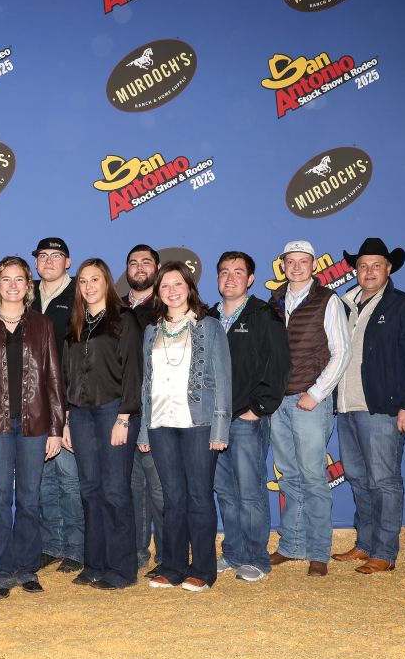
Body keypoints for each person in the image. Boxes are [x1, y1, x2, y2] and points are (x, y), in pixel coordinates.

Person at [329, 239, 405, 574]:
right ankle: (365, 543)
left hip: (383, 410)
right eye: (362, 265)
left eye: (376, 265)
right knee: (359, 478)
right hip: (347, 407)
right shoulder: (344, 305)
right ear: (355, 270)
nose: (369, 271)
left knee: (384, 480)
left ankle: (385, 552)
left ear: (389, 269)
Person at [0, 256, 64, 599]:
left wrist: (56, 427)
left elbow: (53, 378)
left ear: (28, 285)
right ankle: (0, 571)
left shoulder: (43, 325)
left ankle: (26, 568)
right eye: (5, 279)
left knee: (30, 499)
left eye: (19, 279)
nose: (12, 285)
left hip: (36, 423)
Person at [139, 262, 231, 593]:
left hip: (199, 423)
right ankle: (173, 564)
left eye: (178, 284)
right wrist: (143, 430)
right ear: (158, 292)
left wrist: (220, 429)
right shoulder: (152, 330)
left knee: (199, 497)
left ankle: (203, 569)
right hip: (161, 422)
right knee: (171, 497)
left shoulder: (209, 326)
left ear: (189, 287)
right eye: (165, 286)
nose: (172, 291)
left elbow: (223, 379)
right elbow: (146, 384)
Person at [267, 240, 350, 577]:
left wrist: (316, 393)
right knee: (289, 475)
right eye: (291, 261)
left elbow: (341, 352)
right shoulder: (274, 302)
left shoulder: (327, 300)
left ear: (313, 265)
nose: (297, 267)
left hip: (309, 400)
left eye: (304, 261)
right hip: (279, 401)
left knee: (314, 477)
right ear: (283, 265)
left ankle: (319, 550)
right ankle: (292, 544)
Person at [61, 259, 143, 590]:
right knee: (90, 490)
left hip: (114, 412)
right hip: (80, 414)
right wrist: (66, 417)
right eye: (83, 281)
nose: (89, 286)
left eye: (95, 279)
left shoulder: (124, 320)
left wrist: (125, 416)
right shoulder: (76, 323)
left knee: (114, 491)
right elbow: (68, 373)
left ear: (107, 282)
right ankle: (94, 563)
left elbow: (134, 372)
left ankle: (121, 569)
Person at [211, 251, 290, 582]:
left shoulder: (263, 315)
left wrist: (257, 409)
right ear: (216, 278)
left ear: (251, 279)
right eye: (224, 272)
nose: (230, 278)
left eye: (238, 272)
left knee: (250, 490)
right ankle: (233, 552)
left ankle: (257, 557)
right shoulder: (206, 318)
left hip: (245, 419)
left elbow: (280, 365)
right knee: (225, 492)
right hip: (213, 421)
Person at [30, 237, 84, 573]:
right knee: (43, 479)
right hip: (32, 405)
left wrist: (69, 408)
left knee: (69, 478)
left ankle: (77, 548)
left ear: (68, 261)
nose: (49, 261)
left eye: (57, 256)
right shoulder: (25, 293)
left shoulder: (81, 292)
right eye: (43, 256)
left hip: (68, 403)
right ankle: (51, 544)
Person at [122, 244, 166, 573]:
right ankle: (137, 553)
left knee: (160, 489)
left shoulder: (168, 307)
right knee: (133, 488)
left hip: (160, 412)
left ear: (157, 267)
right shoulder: (115, 310)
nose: (139, 268)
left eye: (146, 263)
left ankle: (167, 555)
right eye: (133, 263)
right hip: (124, 413)